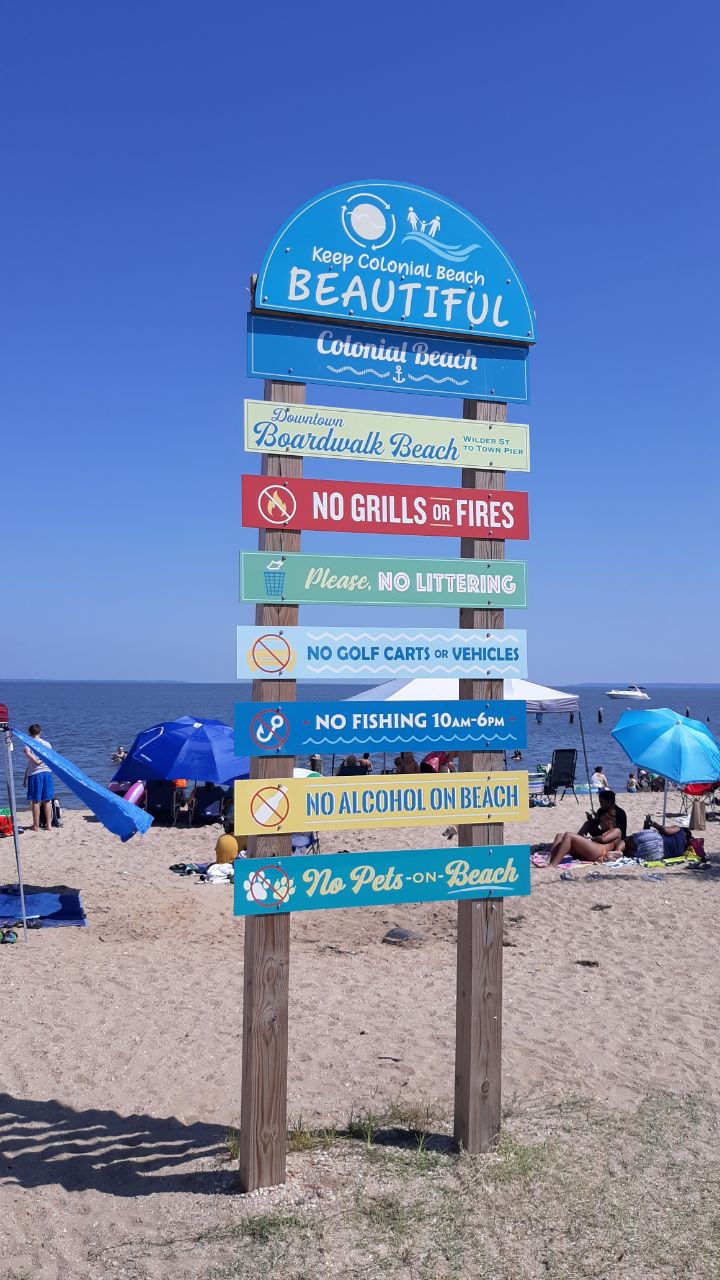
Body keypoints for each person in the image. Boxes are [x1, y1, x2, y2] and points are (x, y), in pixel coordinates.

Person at [547, 808, 624, 866]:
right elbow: (582, 832)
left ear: (610, 821)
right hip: (592, 850)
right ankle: (548, 860)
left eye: (602, 821)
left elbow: (603, 839)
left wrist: (589, 839)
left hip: (599, 851)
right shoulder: (603, 831)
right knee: (560, 835)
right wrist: (593, 822)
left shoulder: (616, 830)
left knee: (569, 835)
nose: (600, 824)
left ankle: (553, 865)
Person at [23, 723, 55, 834]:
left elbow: (30, 757)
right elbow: (51, 757)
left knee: (36, 801)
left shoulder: (29, 743)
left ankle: (36, 826)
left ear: (29, 733)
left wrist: (37, 761)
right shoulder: (47, 744)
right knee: (47, 800)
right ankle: (49, 825)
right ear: (40, 732)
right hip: (47, 773)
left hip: (36, 774)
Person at [625, 817, 693, 861]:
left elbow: (666, 831)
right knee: (626, 853)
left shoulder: (681, 831)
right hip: (657, 855)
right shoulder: (682, 852)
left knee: (625, 842)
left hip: (657, 839)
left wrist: (654, 824)